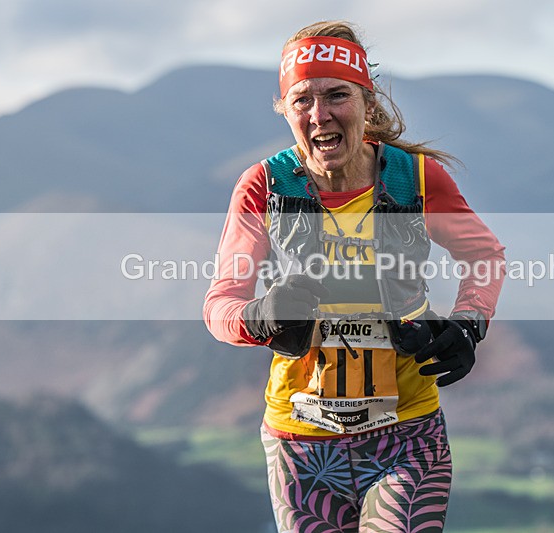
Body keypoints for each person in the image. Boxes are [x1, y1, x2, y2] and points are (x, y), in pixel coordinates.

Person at [204, 20, 505, 532]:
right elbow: (220, 305)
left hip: (407, 435)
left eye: (337, 95)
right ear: (285, 111)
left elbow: (486, 258)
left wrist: (467, 324)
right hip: (300, 445)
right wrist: (259, 317)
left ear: (367, 102)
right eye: (302, 100)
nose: (320, 114)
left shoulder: (415, 179)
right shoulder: (264, 185)